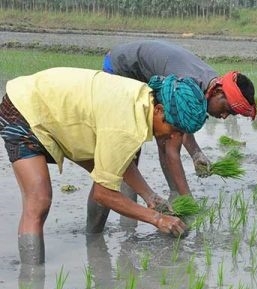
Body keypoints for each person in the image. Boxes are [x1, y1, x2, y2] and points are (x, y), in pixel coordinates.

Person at [0, 67, 208, 264]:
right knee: (39, 200)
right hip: (24, 108)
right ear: (160, 110)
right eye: (176, 129)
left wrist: (150, 196)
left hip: (61, 117)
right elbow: (103, 194)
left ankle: (90, 243)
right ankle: (32, 281)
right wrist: (157, 219)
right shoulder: (126, 125)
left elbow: (117, 162)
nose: (175, 136)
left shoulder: (141, 102)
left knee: (105, 173)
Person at [99, 40, 257, 228]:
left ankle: (164, 198)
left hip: (144, 72)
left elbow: (182, 125)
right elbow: (170, 142)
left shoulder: (211, 84)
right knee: (129, 148)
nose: (224, 116)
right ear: (219, 94)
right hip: (121, 68)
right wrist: (187, 198)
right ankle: (128, 222)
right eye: (227, 110)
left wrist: (196, 153)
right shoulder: (188, 82)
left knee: (162, 133)